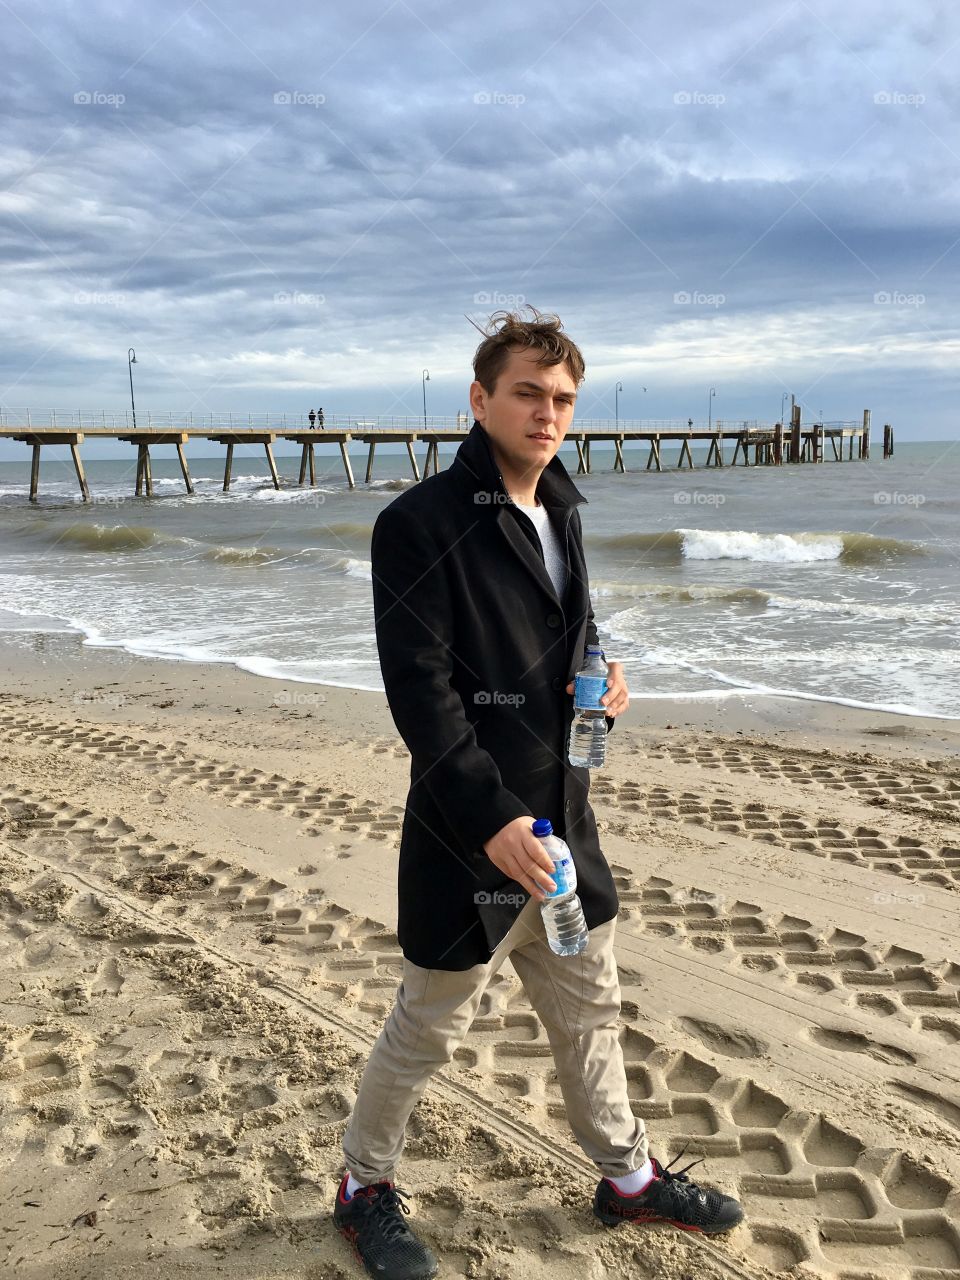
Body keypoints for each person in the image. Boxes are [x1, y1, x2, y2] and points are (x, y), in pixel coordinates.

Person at [334, 309, 743, 1279]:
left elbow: (574, 641)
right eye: (527, 390)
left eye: (562, 397)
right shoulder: (419, 523)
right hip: (469, 834)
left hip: (565, 823)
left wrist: (605, 676)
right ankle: (363, 1185)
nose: (547, 411)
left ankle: (628, 1176)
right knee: (428, 1025)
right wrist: (493, 819)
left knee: (588, 1006)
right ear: (480, 398)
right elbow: (422, 697)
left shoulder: (562, 509)